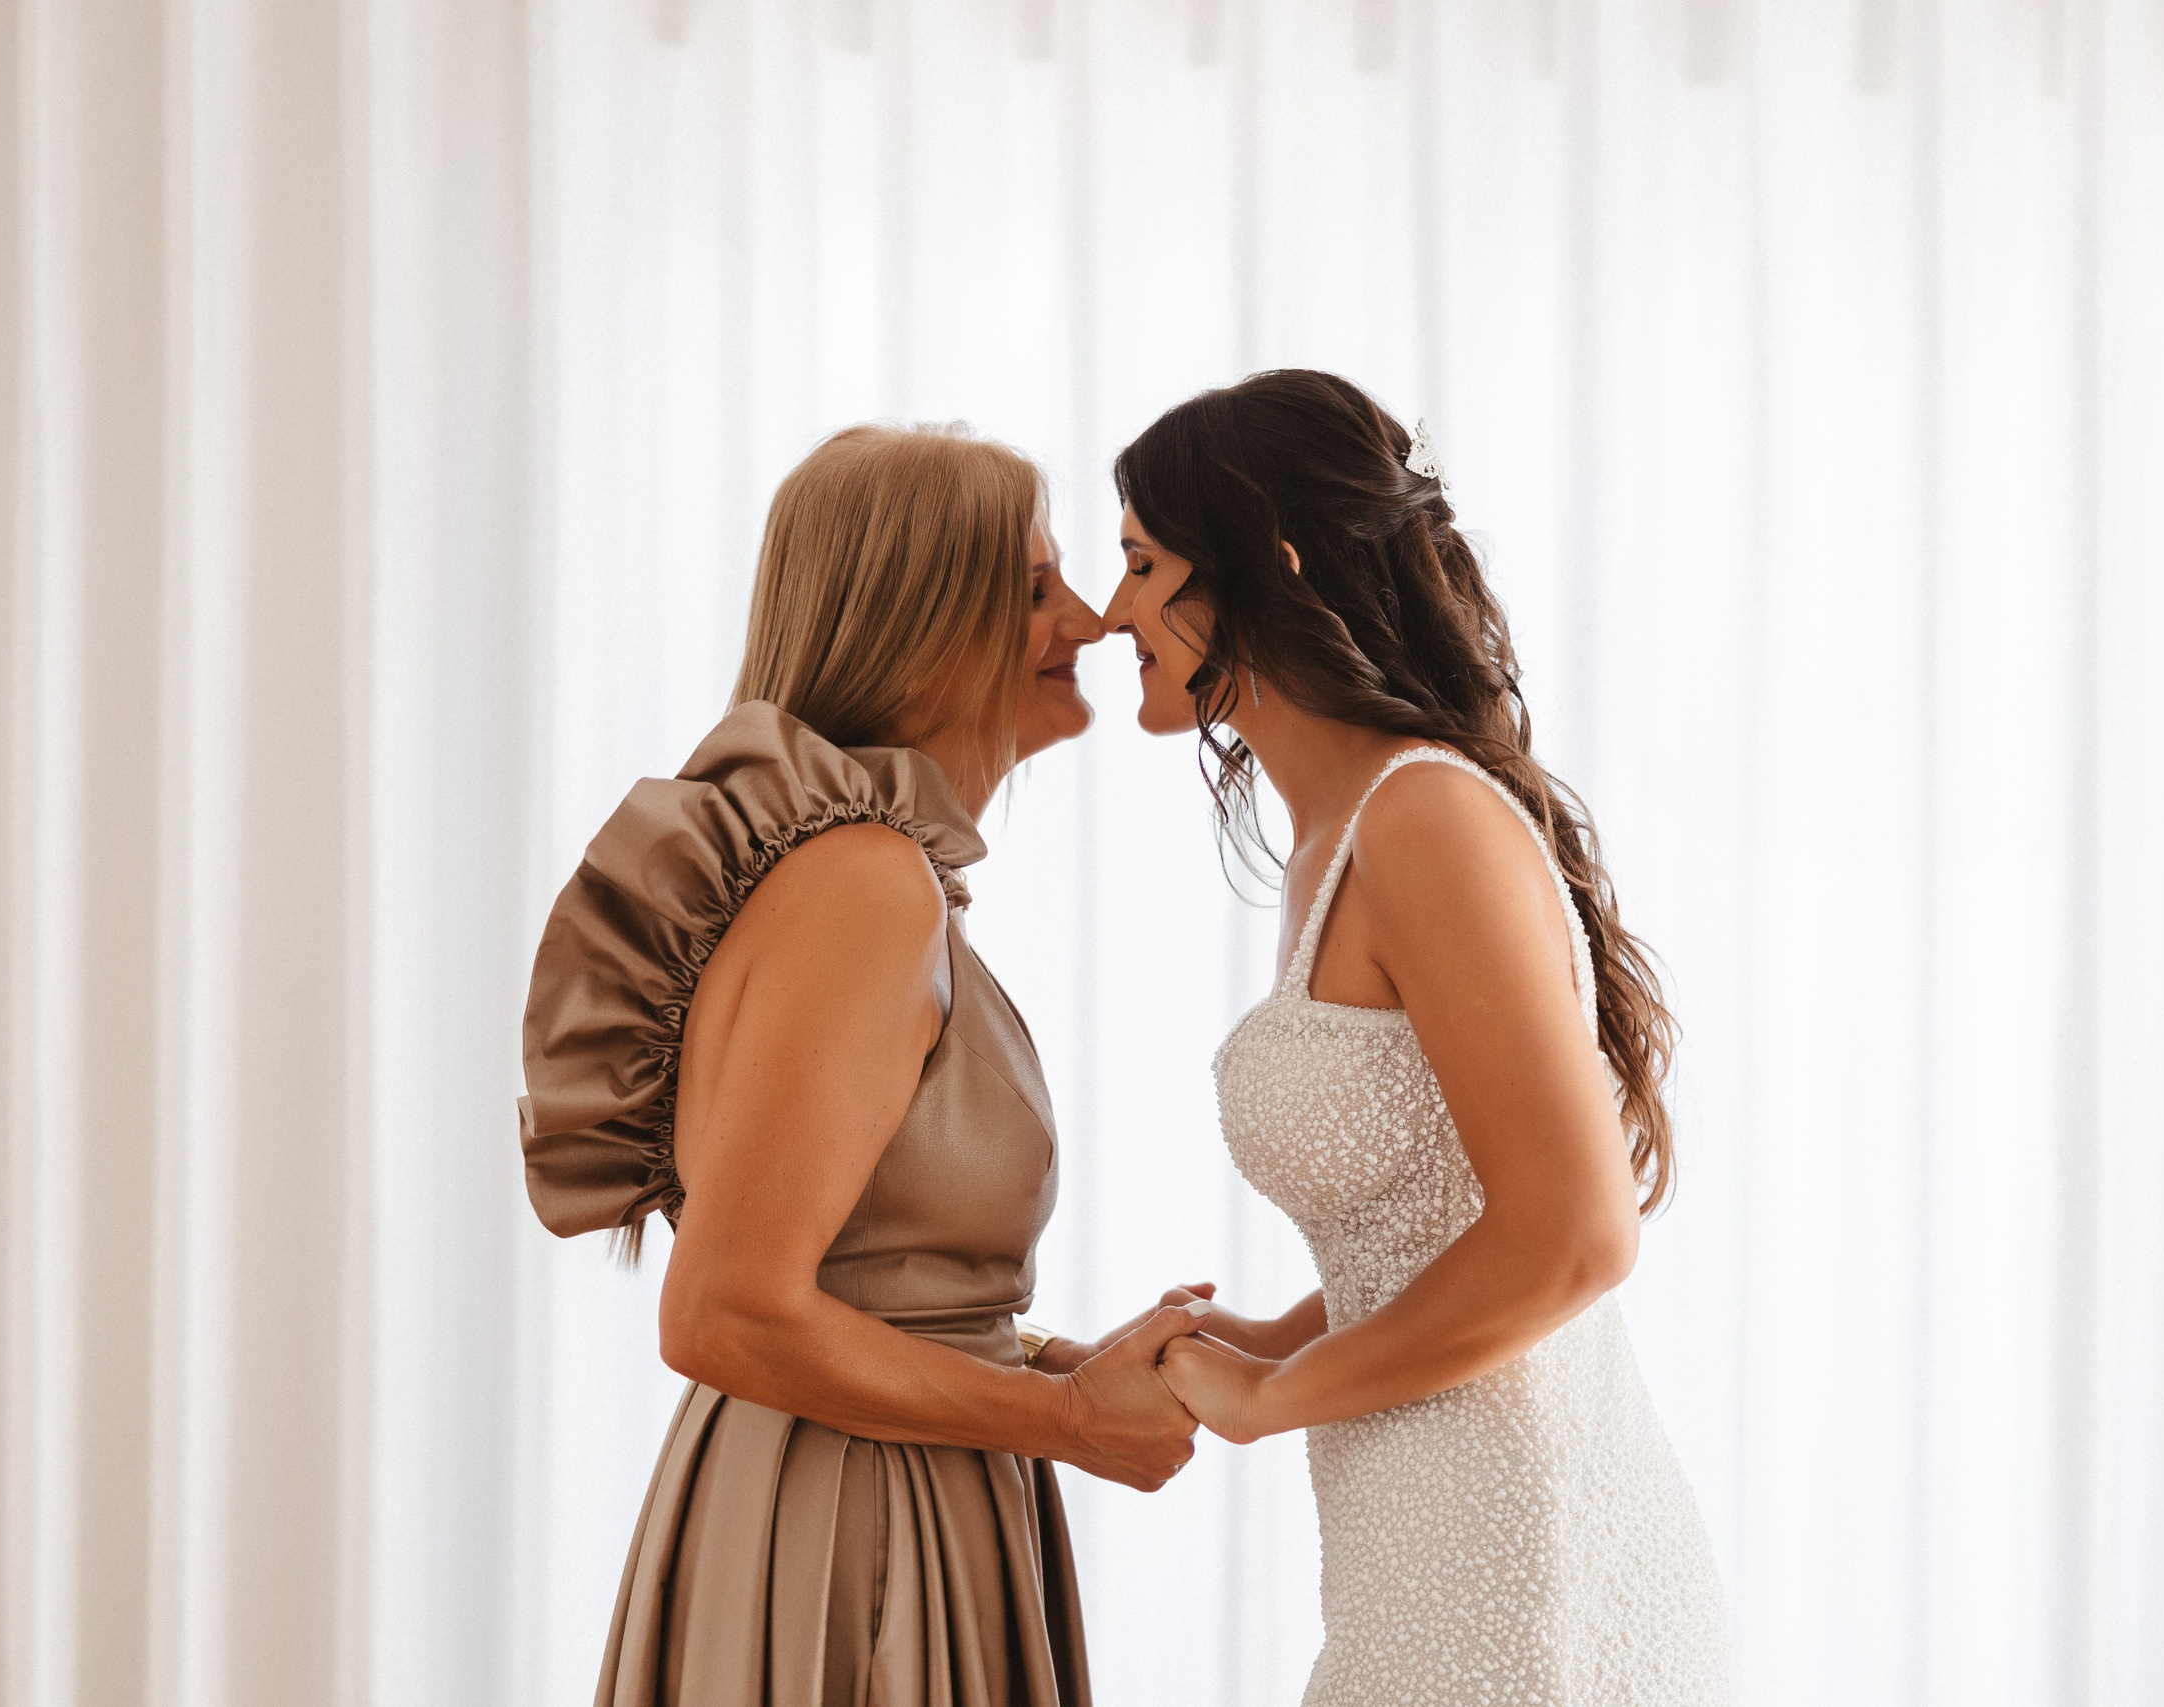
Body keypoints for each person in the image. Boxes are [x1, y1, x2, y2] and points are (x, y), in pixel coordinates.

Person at [519, 423, 1206, 1706]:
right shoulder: (863, 887)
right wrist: (1064, 1424)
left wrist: (1060, 1363)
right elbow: (723, 1311)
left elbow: (859, 1279)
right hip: (856, 1520)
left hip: (861, 1484)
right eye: (1034, 585)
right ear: (922, 619)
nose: (1093, 619)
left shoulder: (867, 877)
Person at [1103, 372, 1734, 1704]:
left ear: (1265, 561)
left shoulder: (1422, 820)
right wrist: (1267, 1337)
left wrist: (1274, 1396)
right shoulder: (1340, 841)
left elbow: (1573, 1232)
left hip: (1525, 1557)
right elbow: (1435, 1230)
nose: (1114, 613)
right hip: (1416, 1548)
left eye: (1142, 561)